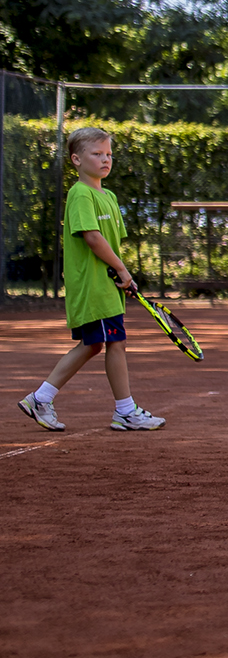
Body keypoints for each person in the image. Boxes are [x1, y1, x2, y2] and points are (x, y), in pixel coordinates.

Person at [18, 127, 166, 433]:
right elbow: (93, 238)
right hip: (92, 287)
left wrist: (122, 274)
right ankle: (125, 411)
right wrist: (123, 271)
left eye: (109, 154)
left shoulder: (108, 196)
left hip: (106, 286)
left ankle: (41, 398)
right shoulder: (80, 193)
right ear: (76, 159)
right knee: (115, 342)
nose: (105, 159)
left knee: (95, 344)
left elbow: (112, 242)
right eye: (96, 153)